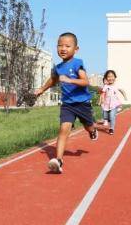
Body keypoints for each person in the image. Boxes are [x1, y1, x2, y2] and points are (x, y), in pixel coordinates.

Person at [35, 32, 98, 174]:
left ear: (76, 49)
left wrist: (70, 80)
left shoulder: (78, 63)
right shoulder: (58, 68)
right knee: (64, 130)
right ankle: (58, 160)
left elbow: (85, 81)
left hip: (82, 103)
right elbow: (53, 80)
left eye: (67, 46)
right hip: (67, 105)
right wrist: (41, 89)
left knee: (88, 127)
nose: (63, 48)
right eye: (60, 45)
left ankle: (92, 130)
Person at [101, 70, 127, 135]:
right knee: (105, 116)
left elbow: (122, 91)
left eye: (112, 76)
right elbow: (102, 93)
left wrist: (125, 97)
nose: (110, 78)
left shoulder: (117, 86)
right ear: (106, 78)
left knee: (112, 116)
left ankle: (111, 128)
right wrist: (102, 99)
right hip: (106, 103)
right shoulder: (105, 86)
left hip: (114, 104)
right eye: (108, 77)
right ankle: (107, 119)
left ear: (115, 77)